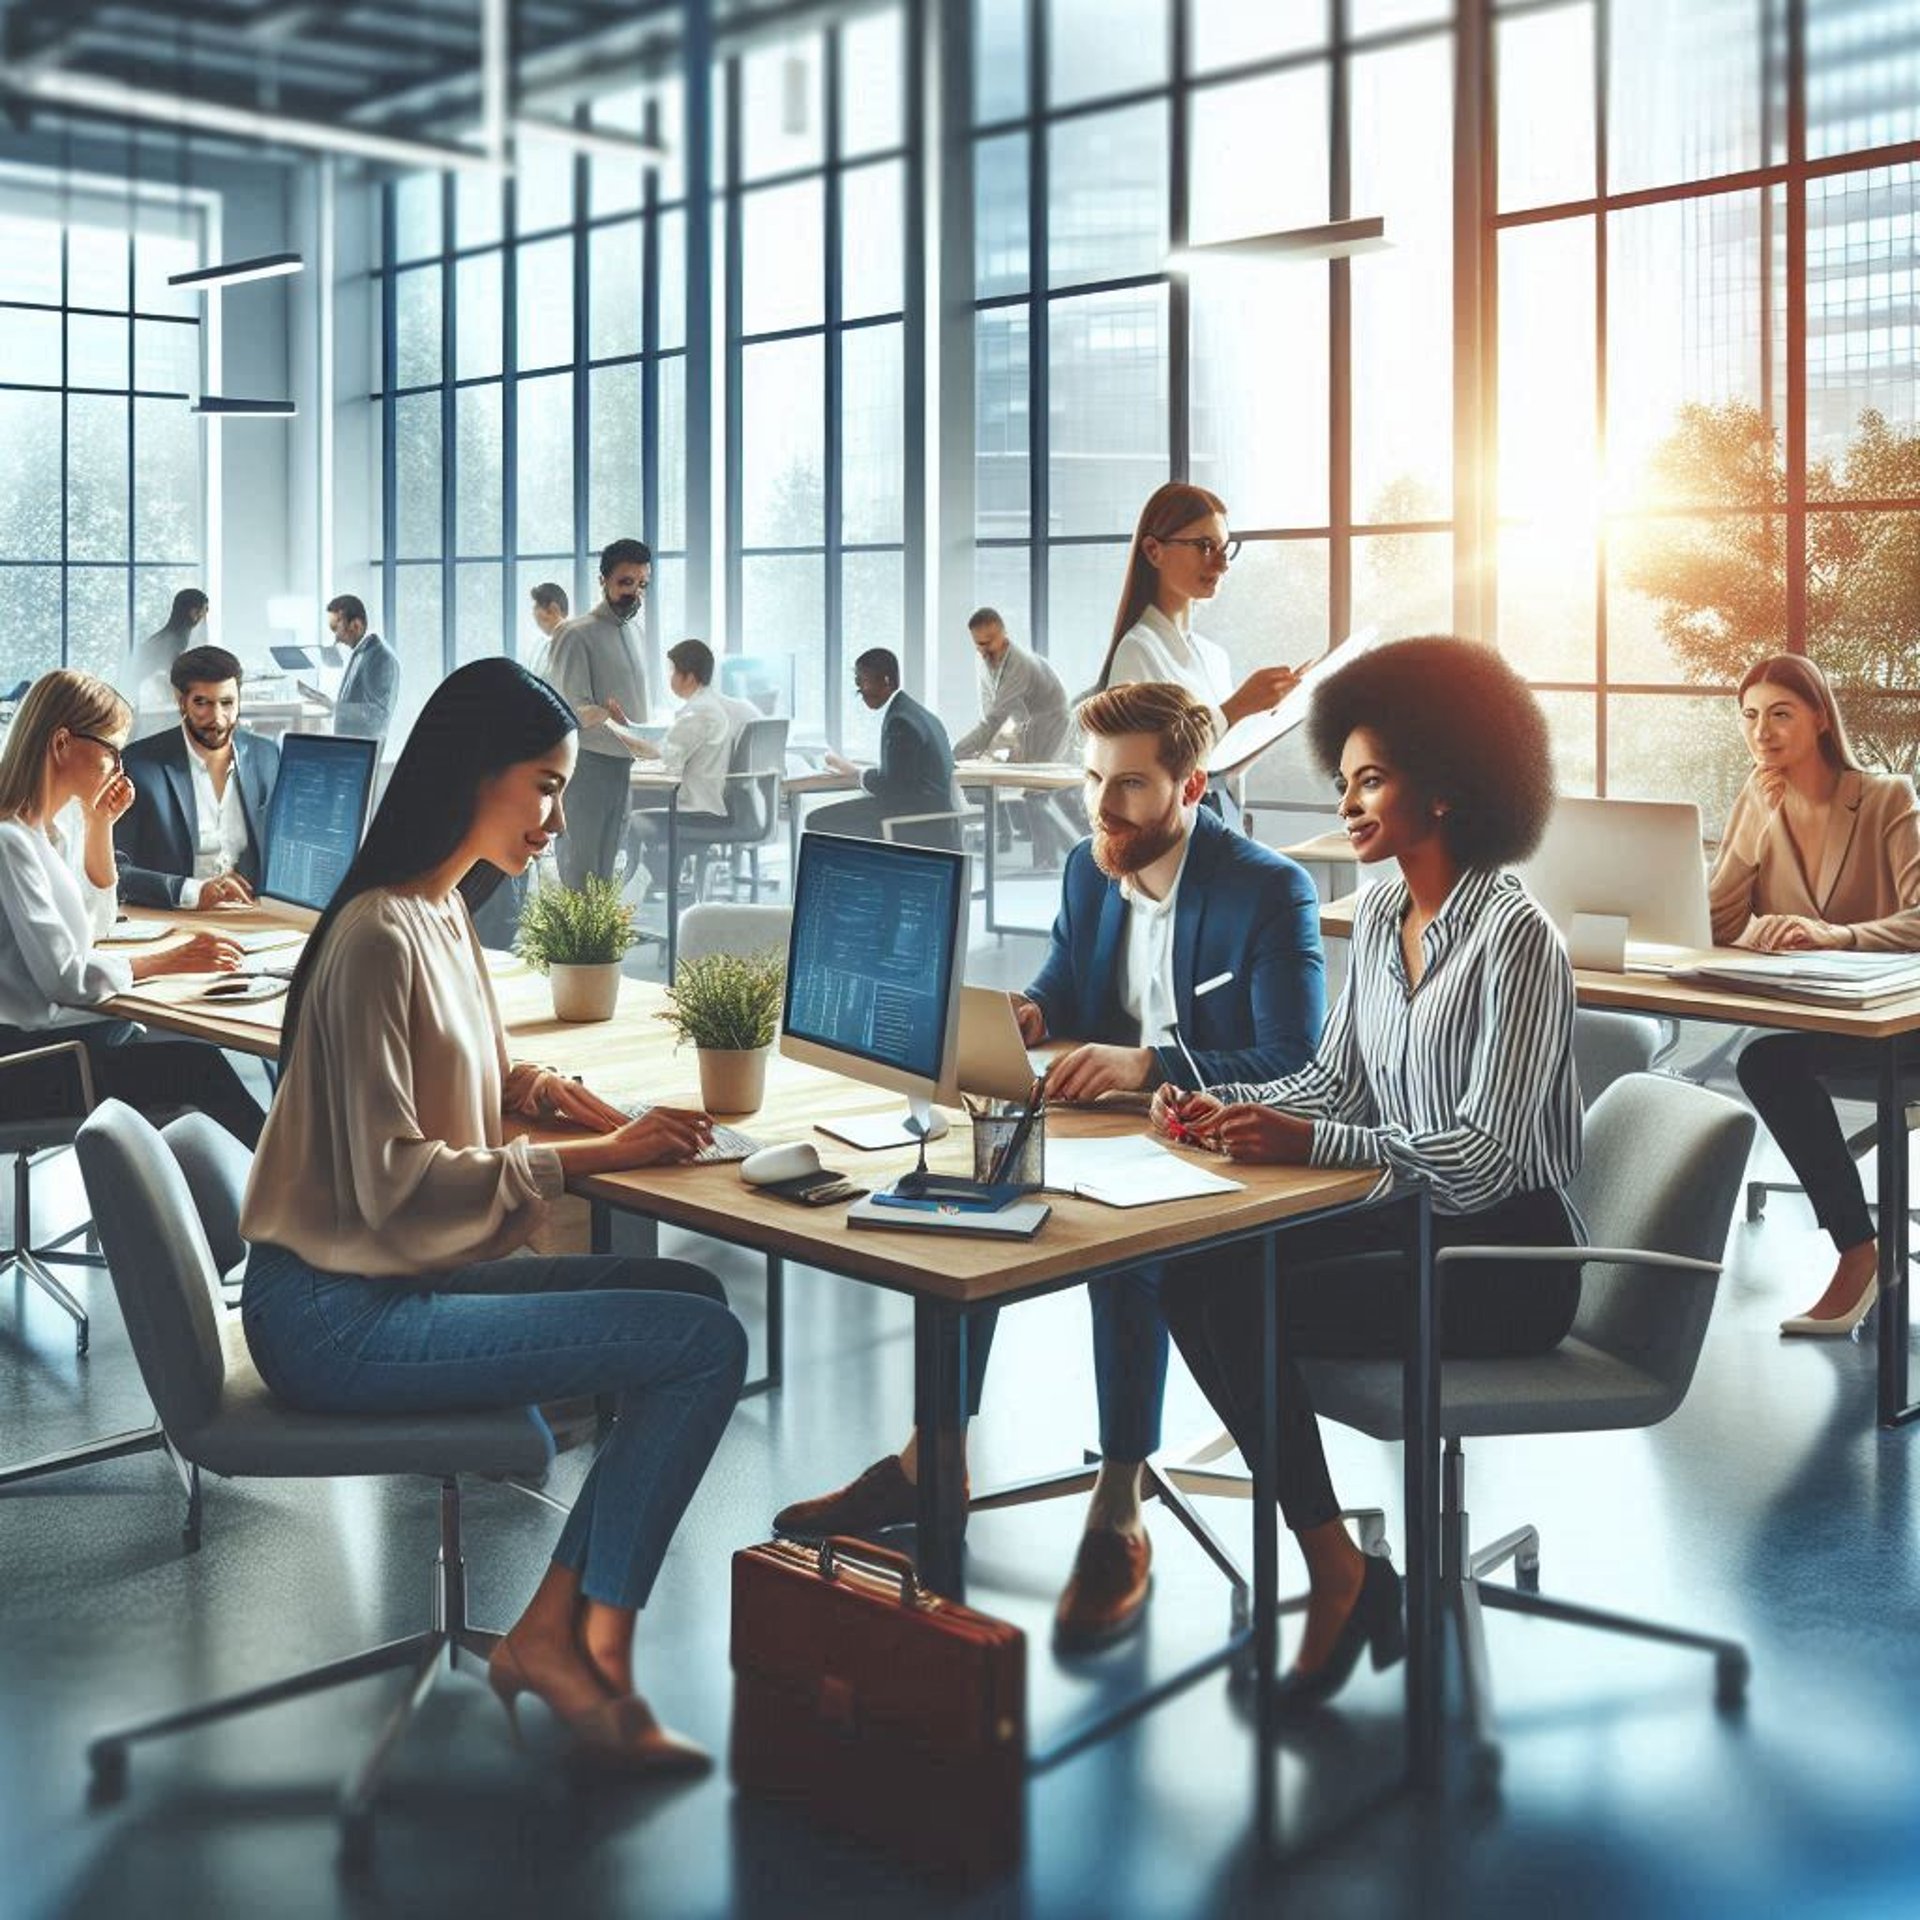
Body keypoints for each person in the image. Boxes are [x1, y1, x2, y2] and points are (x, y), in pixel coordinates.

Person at [237, 658, 747, 1774]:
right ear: (475, 773)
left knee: (693, 1296)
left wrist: (547, 1093)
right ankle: (573, 1643)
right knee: (704, 1345)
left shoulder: (438, 909)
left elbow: (464, 1061)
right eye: (547, 787)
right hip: (333, 1317)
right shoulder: (378, 933)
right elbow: (397, 1178)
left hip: (375, 1282)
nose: (558, 820)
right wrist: (602, 1156)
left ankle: (557, 1634)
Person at [776, 682, 1326, 1648]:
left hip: (1221, 1151)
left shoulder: (1267, 890)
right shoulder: (1089, 866)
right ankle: (931, 1459)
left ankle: (1118, 1503)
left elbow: (1295, 1061)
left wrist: (1152, 1065)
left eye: (1131, 785)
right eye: (1092, 780)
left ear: (1192, 786)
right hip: (1108, 1126)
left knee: (1130, 1256)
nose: (1103, 806)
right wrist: (1033, 1011)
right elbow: (1066, 984)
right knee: (968, 1202)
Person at [1153, 637, 1581, 1713]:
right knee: (1191, 1272)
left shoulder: (1520, 941)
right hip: (1408, 1216)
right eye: (1342, 781)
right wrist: (1223, 1104)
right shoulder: (1383, 914)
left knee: (1240, 1294)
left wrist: (1309, 1144)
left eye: (1371, 779)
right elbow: (1336, 1081)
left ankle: (1340, 1578)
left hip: (1508, 1255)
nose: (1346, 803)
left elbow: (1483, 1159)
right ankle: (1340, 1563)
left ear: (1447, 785)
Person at [1716, 655, 1920, 1336]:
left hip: (1903, 1025)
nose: (1762, 731)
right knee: (1767, 1061)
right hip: (1833, 1022)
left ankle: (1859, 1257)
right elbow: (1713, 925)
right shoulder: (1758, 802)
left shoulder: (1886, 797)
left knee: (1768, 1063)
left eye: (1780, 714)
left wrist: (1840, 935)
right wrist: (1749, 835)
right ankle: (1862, 1250)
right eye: (1750, 716)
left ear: (1820, 718)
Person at [0, 670, 264, 1146]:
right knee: (199, 1070)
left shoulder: (48, 833)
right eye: (111, 750)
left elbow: (96, 929)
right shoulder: (10, 842)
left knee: (192, 1055)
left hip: (63, 1041)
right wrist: (169, 960)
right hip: (30, 1063)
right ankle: (286, 1190)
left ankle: (270, 1186)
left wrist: (99, 825)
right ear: (62, 743)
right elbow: (68, 978)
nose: (119, 767)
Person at [1097, 482, 1301, 746]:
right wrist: (1235, 708)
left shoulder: (1216, 657)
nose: (1222, 565)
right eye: (1205, 546)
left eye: (1224, 548)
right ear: (1153, 551)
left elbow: (1223, 755)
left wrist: (1265, 713)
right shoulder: (1137, 651)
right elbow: (1134, 758)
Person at [112, 645, 281, 909]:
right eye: (203, 703)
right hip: (173, 916)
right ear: (181, 701)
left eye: (227, 703)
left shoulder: (267, 756)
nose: (218, 719)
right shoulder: (138, 764)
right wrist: (192, 892)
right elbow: (113, 872)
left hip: (253, 913)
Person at [543, 538, 653, 888]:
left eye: (642, 584)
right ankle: (575, 929)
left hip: (622, 766)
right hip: (586, 766)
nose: (635, 592)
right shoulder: (575, 633)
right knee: (581, 868)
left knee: (606, 872)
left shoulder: (634, 632)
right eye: (626, 582)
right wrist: (607, 714)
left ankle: (597, 929)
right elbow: (567, 709)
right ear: (603, 580)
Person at [952, 606, 1078, 869]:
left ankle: (1050, 860)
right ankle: (1059, 851)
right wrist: (987, 748)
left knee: (1037, 792)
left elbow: (995, 718)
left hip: (1052, 721)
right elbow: (989, 709)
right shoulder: (984, 660)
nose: (984, 650)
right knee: (1021, 785)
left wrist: (956, 751)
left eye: (989, 642)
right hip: (1026, 724)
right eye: (978, 644)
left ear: (1004, 634)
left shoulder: (1018, 663)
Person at [813, 648, 957, 848]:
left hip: (915, 821)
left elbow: (892, 787)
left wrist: (856, 773)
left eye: (862, 681)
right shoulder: (916, 713)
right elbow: (904, 776)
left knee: (818, 820)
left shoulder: (900, 721)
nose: (859, 691)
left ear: (886, 681)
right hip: (934, 817)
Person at [628, 640, 735, 895]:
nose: (670, 678)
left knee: (629, 815)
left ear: (690, 677)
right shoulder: (707, 707)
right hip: (703, 803)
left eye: (673, 671)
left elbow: (665, 757)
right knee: (637, 802)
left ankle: (642, 884)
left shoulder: (699, 712)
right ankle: (657, 880)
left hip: (697, 810)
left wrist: (618, 736)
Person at [326, 594, 401, 745]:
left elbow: (376, 714)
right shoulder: (363, 653)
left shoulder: (381, 657)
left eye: (336, 628)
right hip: (351, 747)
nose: (336, 639)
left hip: (362, 749)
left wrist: (333, 707)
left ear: (356, 625)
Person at [123, 586, 209, 712]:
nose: (204, 616)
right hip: (133, 700)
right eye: (204, 610)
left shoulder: (170, 636)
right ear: (193, 612)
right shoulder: (176, 639)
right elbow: (172, 675)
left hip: (132, 697)